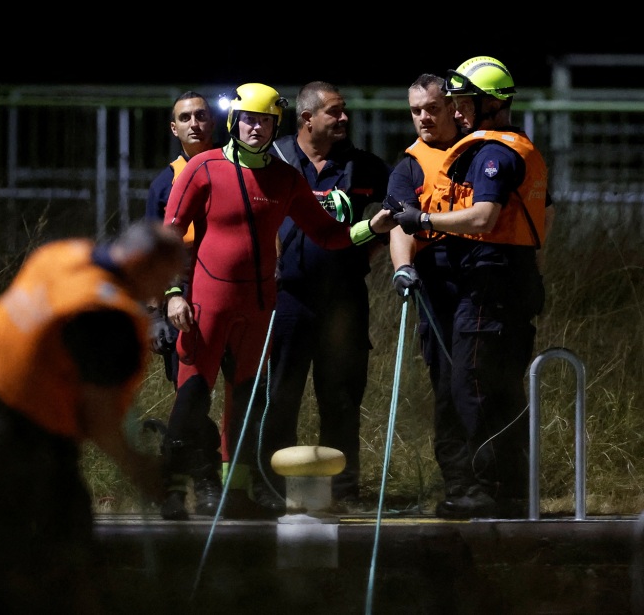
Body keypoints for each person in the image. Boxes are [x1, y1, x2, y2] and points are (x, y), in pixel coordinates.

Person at [161, 83, 395, 521]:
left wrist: (373, 228)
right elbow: (169, 237)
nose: (256, 127)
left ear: (275, 126)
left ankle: (239, 489)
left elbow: (327, 234)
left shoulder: (285, 178)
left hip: (259, 307)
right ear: (234, 123)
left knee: (247, 402)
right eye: (248, 118)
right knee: (193, 395)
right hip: (207, 303)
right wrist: (175, 292)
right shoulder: (204, 168)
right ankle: (172, 488)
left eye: (265, 120)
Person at [0, 219, 185, 615]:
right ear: (143, 264)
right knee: (66, 549)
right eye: (165, 278)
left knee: (2, 543)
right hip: (29, 429)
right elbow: (101, 421)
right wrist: (142, 470)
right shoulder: (107, 316)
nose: (160, 293)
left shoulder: (62, 255)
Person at [391, 56, 551, 518]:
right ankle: (508, 488)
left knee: (473, 385)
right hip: (496, 280)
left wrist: (424, 218)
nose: (455, 110)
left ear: (488, 103)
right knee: (493, 386)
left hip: (489, 282)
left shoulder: (494, 153)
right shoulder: (494, 148)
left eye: (463, 101)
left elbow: (484, 217)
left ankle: (484, 487)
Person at [252, 82, 392, 514]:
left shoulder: (365, 165)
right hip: (286, 300)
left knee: (342, 397)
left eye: (344, 110)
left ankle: (344, 492)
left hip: (344, 300)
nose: (344, 118)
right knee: (280, 395)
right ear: (307, 118)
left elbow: (391, 217)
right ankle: (271, 490)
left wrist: (359, 255)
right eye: (334, 111)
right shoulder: (271, 160)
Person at [387, 74, 481, 518]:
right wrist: (403, 268)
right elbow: (398, 224)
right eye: (415, 110)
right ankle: (459, 483)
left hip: (482, 283)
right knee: (447, 386)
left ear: (452, 108)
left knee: (484, 385)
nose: (423, 117)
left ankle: (499, 481)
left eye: (431, 108)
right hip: (438, 290)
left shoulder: (483, 152)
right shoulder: (408, 167)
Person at [144, 91, 216, 385]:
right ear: (174, 128)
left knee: (245, 388)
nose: (194, 123)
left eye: (200, 115)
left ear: (212, 122)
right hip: (182, 294)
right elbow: (153, 254)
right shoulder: (164, 184)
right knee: (186, 390)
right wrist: (152, 314)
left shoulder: (236, 169)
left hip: (233, 289)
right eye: (184, 118)